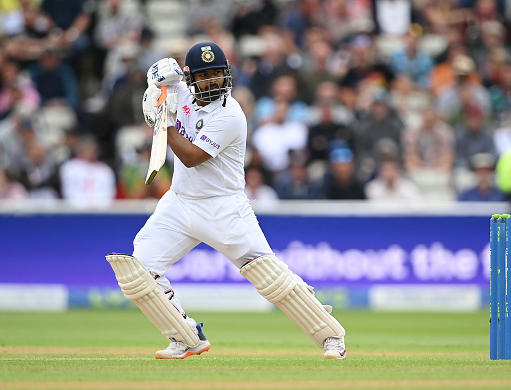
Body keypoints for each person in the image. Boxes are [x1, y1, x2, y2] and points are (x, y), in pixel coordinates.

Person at [108, 42, 346, 360]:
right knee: (139, 271)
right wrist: (155, 79)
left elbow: (192, 157)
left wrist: (162, 120)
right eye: (204, 76)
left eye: (218, 75)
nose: (213, 83)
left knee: (270, 278)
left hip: (224, 207)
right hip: (179, 202)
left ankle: (331, 336)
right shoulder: (184, 89)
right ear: (191, 77)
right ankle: (185, 336)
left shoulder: (231, 114)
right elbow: (161, 78)